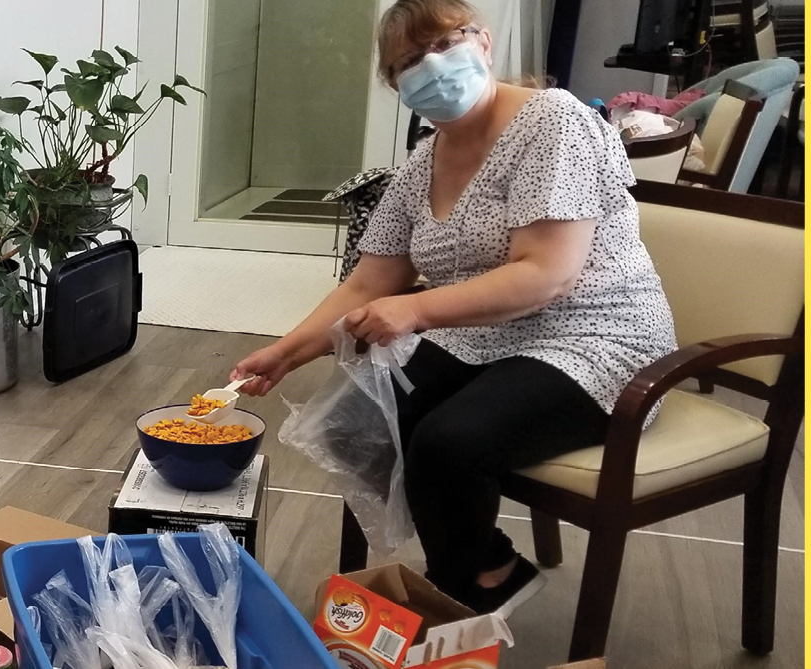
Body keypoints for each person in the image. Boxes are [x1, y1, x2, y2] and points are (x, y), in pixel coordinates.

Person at [232, 0, 675, 615]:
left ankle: (476, 582)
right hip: (489, 335)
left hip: (595, 335)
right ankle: (478, 561)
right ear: (397, 86)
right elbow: (367, 284)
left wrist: (415, 312)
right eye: (410, 61)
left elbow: (547, 274)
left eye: (446, 44)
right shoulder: (423, 162)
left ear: (484, 43)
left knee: (449, 442)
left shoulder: (554, 121)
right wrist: (284, 354)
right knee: (352, 419)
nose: (433, 66)